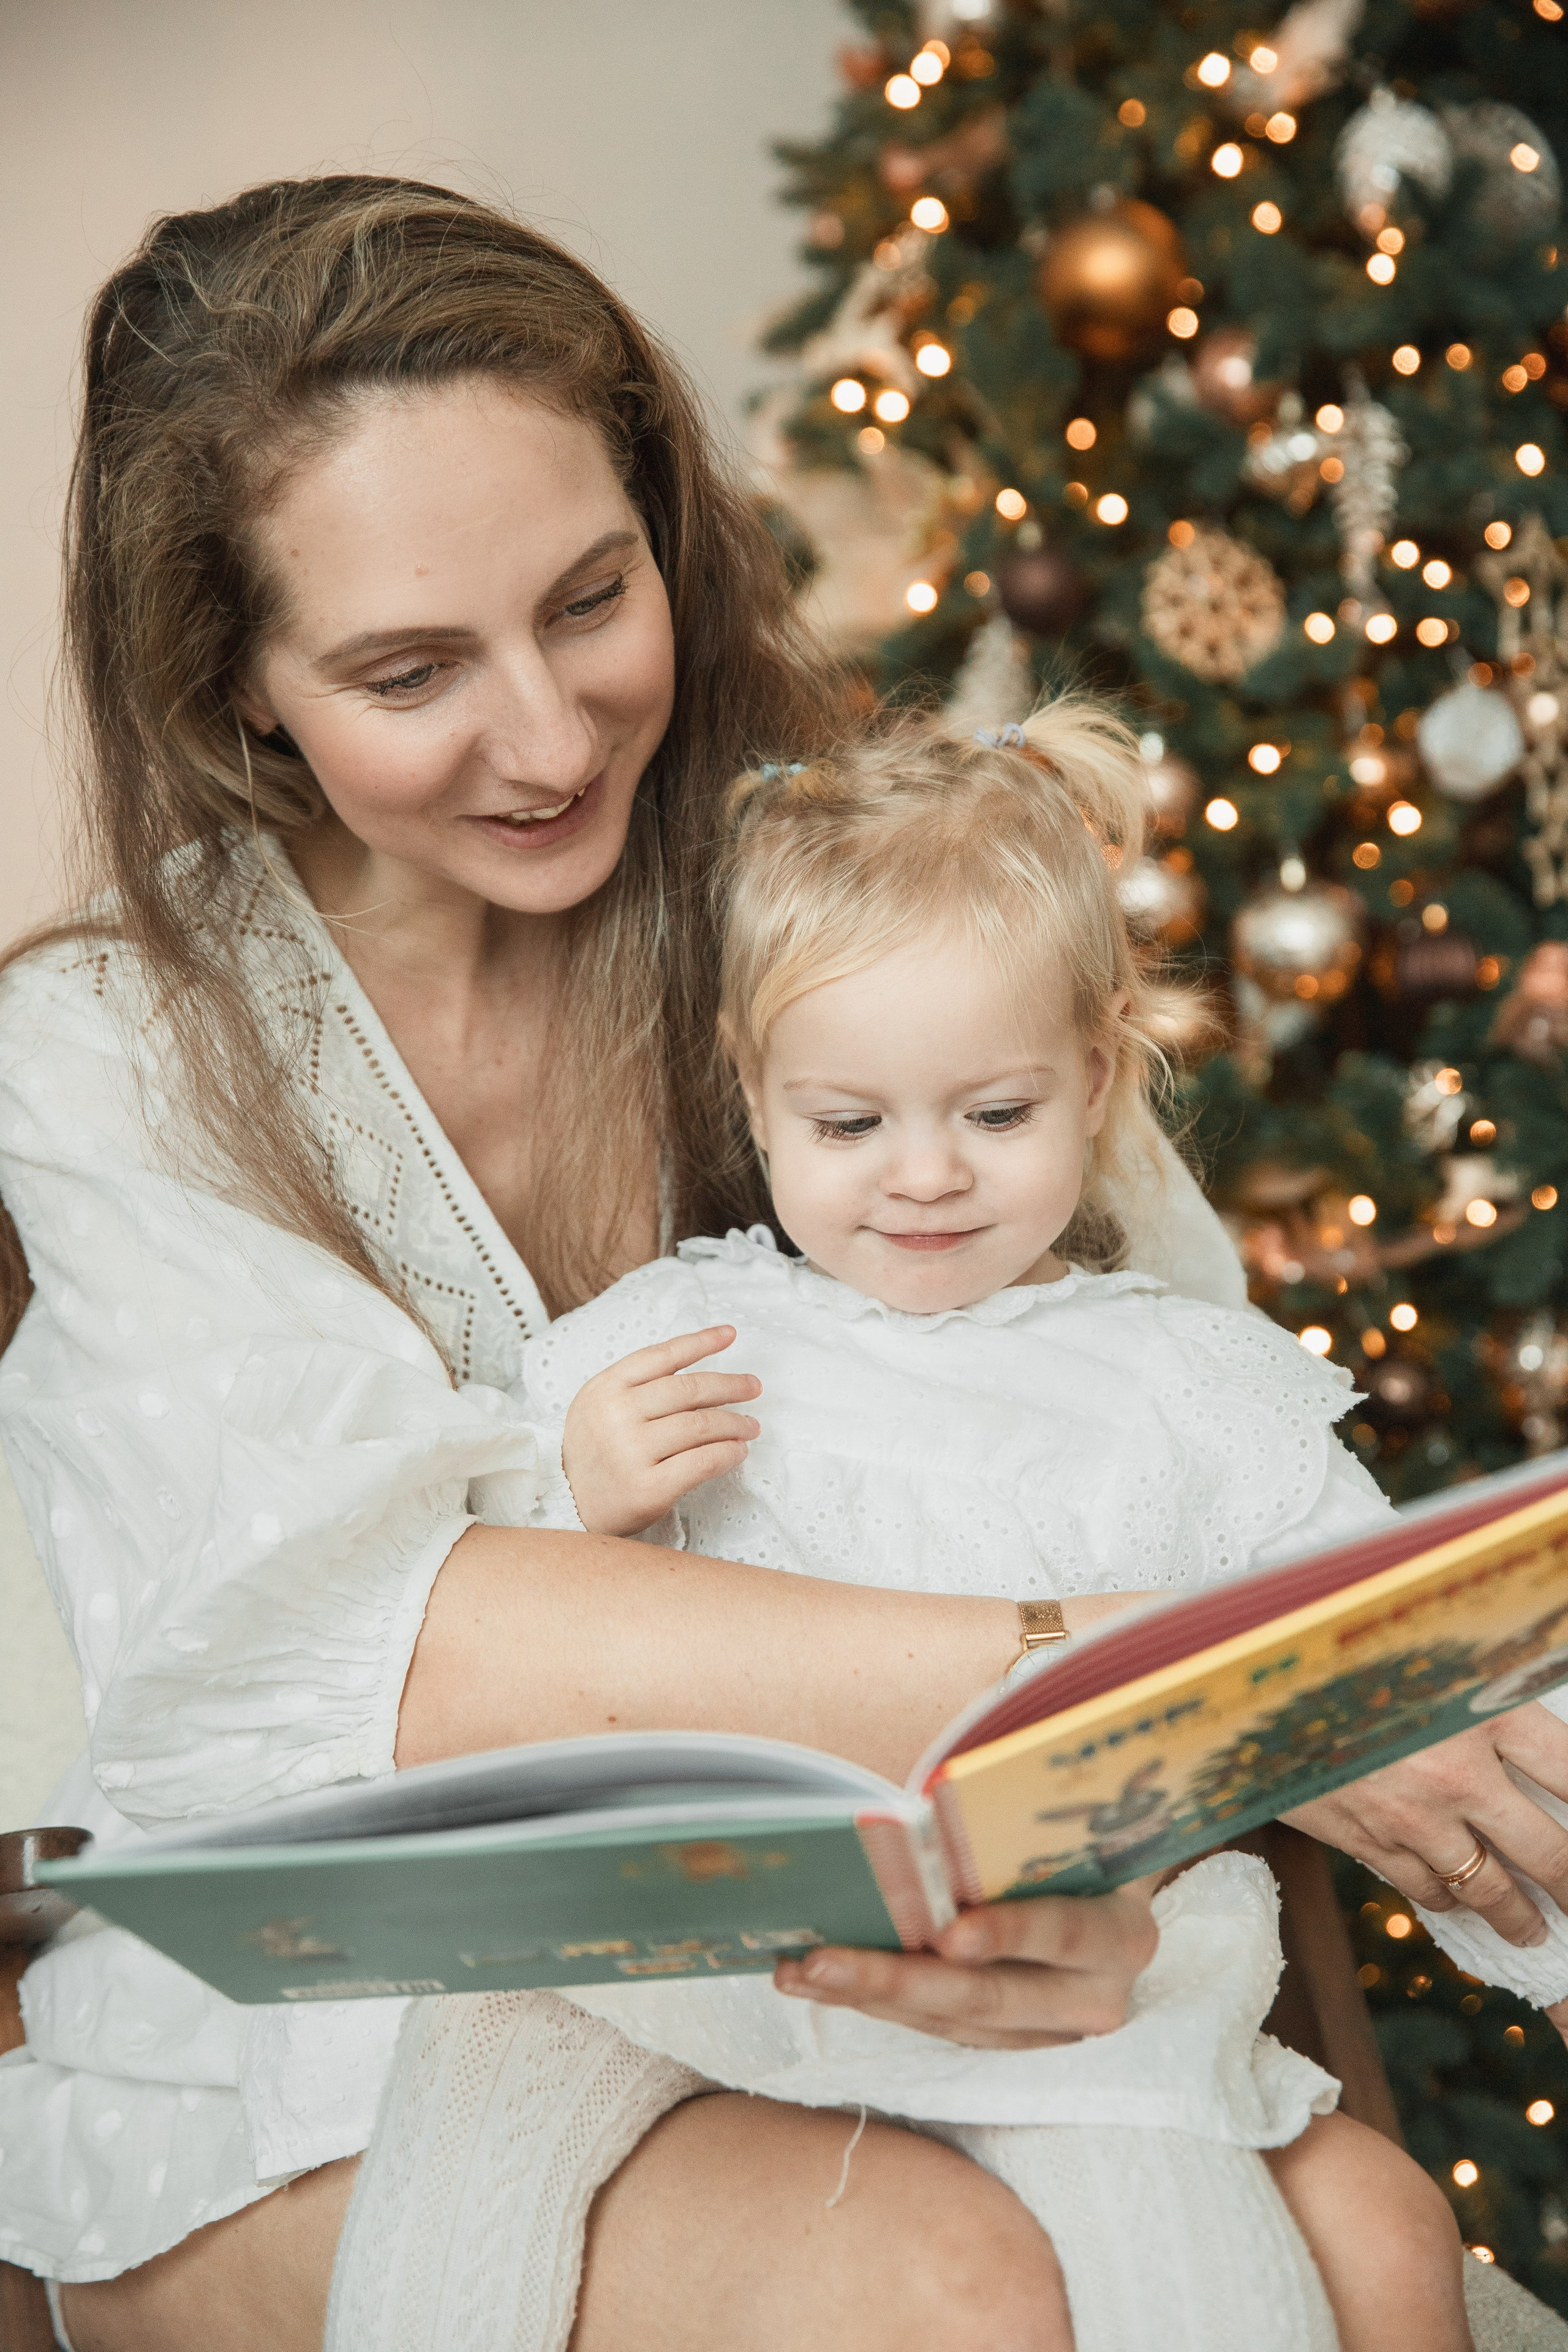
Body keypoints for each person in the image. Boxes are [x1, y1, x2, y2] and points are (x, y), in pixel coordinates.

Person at [0, 174, 1564, 2352]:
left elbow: (1170, 1429)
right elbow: (386, 1655)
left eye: (590, 600)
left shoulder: (849, 890)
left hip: (886, 1966)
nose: (549, 742)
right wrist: (1214, 1680)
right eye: (406, 670)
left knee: (1374, 2247)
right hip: (317, 2052)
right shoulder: (118, 1043)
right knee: (934, 2287)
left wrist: (1141, 1901)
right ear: (236, 690)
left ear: (668, 530)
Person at [502, 699, 1466, 2352]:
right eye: (851, 1123)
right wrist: (576, 1493)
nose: (925, 1178)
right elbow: (468, 1636)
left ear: (1095, 1081)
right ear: (756, 1091)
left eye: (996, 1115)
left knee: (1391, 2234)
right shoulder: (678, 1346)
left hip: (1120, 1972)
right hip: (783, 1990)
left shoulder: (1182, 1377)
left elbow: (1404, 1650)